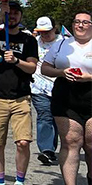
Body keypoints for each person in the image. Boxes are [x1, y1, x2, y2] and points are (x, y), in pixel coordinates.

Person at [0, 1, 37, 185]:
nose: (12, 16)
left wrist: (16, 61)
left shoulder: (29, 39)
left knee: (23, 142)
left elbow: (31, 67)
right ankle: (0, 184)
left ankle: (20, 184)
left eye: (15, 13)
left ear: (21, 16)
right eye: (9, 13)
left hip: (21, 97)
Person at [41, 11, 92, 185]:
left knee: (90, 143)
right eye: (77, 22)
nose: (80, 25)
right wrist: (61, 72)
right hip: (65, 94)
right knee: (71, 141)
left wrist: (88, 77)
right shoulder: (61, 44)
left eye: (85, 22)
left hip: (91, 94)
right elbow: (45, 67)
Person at [31, 16, 63, 167]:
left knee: (57, 118)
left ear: (54, 29)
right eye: (41, 32)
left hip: (59, 86)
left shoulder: (63, 43)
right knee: (45, 116)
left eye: (47, 32)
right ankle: (47, 150)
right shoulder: (34, 42)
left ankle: (53, 147)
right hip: (38, 86)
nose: (44, 35)